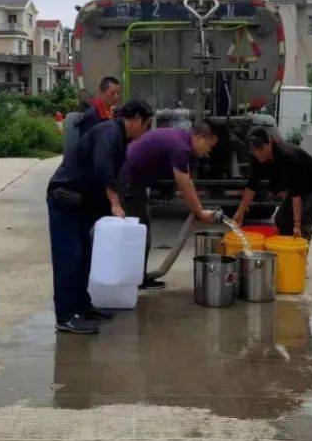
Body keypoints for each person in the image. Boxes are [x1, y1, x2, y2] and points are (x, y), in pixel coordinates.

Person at [46, 100, 153, 334]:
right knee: (69, 260)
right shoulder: (109, 131)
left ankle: (82, 306)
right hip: (65, 199)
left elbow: (114, 175)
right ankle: (65, 316)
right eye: (146, 125)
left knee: (84, 257)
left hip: (82, 204)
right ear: (136, 119)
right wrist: (114, 203)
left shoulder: (119, 138)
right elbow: (102, 169)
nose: (145, 131)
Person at [120, 121, 220, 290]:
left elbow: (184, 178)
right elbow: (184, 183)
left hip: (132, 177)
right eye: (209, 146)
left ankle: (135, 277)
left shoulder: (181, 139)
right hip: (128, 180)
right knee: (139, 232)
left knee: (139, 230)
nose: (209, 151)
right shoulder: (180, 147)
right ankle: (135, 280)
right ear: (200, 137)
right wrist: (200, 212)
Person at [233, 127, 312, 239]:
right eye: (253, 151)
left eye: (260, 148)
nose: (258, 153)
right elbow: (252, 186)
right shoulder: (256, 158)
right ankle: (286, 249)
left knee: (302, 225)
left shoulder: (288, 157)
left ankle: (299, 253)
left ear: (269, 143)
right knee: (281, 220)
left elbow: (296, 195)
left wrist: (297, 224)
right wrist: (240, 212)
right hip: (299, 185)